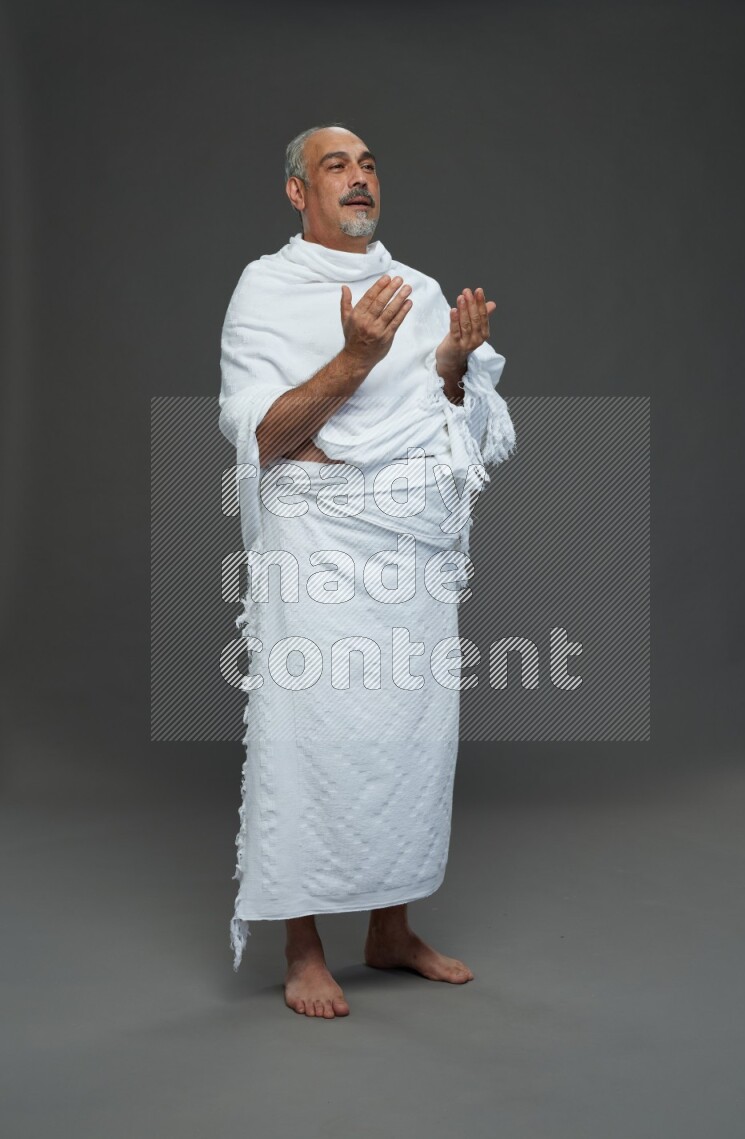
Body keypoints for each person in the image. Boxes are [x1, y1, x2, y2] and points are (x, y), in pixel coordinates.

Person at [218, 123, 516, 1018]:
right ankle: (302, 942)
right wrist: (356, 360)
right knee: (308, 735)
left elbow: (461, 434)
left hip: (411, 554)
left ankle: (390, 928)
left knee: (408, 736)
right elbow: (264, 438)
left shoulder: (417, 292)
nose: (358, 180)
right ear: (297, 192)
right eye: (335, 167)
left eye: (369, 165)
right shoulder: (264, 291)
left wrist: (456, 366)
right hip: (315, 554)